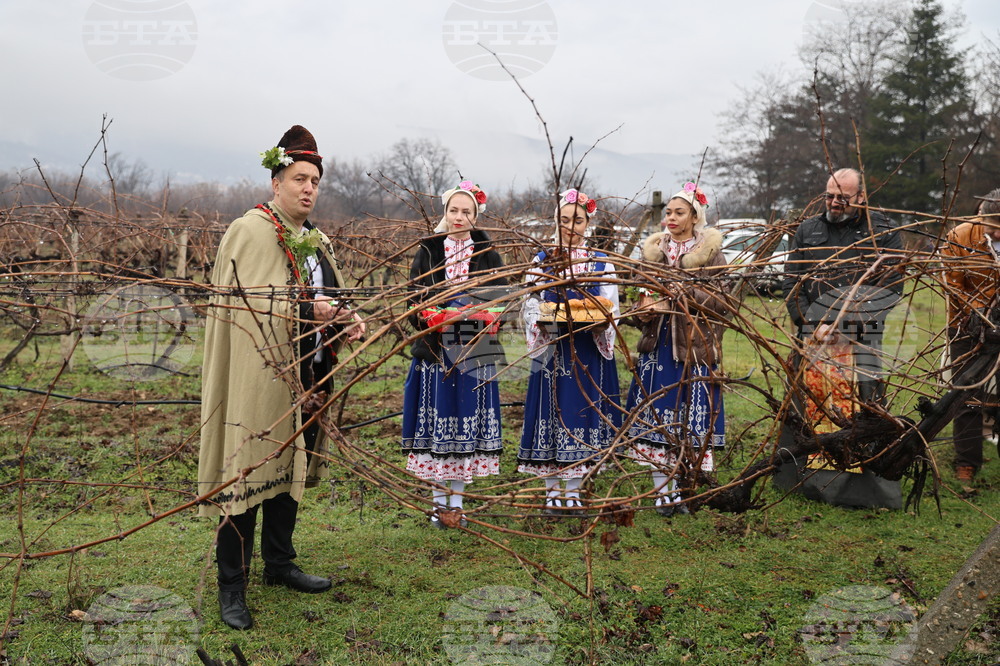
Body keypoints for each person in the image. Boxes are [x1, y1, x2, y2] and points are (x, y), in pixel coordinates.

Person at [198, 125, 364, 630]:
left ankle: (279, 563)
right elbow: (243, 313)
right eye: (299, 178)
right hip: (260, 381)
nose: (308, 188)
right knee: (246, 472)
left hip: (309, 379)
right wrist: (307, 312)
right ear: (276, 181)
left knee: (288, 478)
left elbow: (331, 295)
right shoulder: (249, 232)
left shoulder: (314, 239)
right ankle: (232, 585)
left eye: (314, 180)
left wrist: (346, 316)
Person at [777, 167, 905, 509]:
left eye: (842, 198)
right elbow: (793, 284)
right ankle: (804, 482)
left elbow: (891, 289)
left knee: (864, 411)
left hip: (861, 344)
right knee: (808, 408)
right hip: (813, 340)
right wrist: (809, 323)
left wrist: (846, 326)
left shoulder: (882, 232)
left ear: (861, 197)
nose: (834, 203)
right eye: (829, 196)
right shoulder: (808, 229)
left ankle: (861, 490)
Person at [402, 180, 507, 528]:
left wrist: (479, 316)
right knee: (437, 422)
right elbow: (415, 297)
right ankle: (437, 504)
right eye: (453, 210)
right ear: (444, 213)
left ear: (475, 217)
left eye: (466, 212)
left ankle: (458, 503)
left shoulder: (488, 254)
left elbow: (500, 301)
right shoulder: (430, 250)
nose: (459, 217)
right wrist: (435, 316)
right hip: (435, 349)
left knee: (465, 423)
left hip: (474, 350)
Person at [625, 183, 729, 516]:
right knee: (659, 415)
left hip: (694, 348)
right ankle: (661, 492)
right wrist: (642, 311)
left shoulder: (710, 253)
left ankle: (682, 490)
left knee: (688, 418)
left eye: (678, 212)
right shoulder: (652, 251)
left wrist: (686, 295)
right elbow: (639, 295)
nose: (670, 217)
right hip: (657, 346)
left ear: (694, 216)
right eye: (668, 212)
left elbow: (723, 300)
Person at [518, 189, 622, 515]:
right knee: (550, 411)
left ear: (587, 222)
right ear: (556, 221)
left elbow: (611, 306)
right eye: (564, 219)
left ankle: (574, 490)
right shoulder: (543, 260)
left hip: (587, 352)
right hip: (553, 349)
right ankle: (551, 491)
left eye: (577, 220)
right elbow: (529, 302)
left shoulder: (600, 261)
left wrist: (601, 323)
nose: (570, 226)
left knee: (581, 411)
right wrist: (541, 321)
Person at [942, 188, 1000, 482]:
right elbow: (952, 283)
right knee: (966, 395)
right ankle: (967, 461)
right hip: (967, 324)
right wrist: (981, 313)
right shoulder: (959, 237)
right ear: (981, 216)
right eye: (992, 228)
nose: (996, 234)